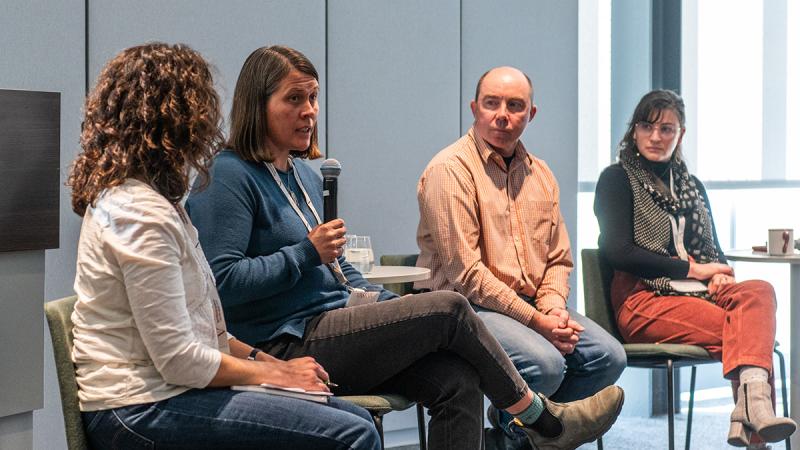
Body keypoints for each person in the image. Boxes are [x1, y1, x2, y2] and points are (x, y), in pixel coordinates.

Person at [185, 45, 624, 450]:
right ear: (258, 105)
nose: (310, 112)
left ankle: (535, 422)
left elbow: (337, 269)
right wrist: (304, 254)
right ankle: (541, 421)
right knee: (448, 307)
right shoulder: (228, 175)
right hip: (283, 341)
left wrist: (375, 301)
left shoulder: (304, 177)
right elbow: (219, 285)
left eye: (313, 98)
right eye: (294, 100)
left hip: (335, 322)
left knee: (458, 379)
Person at [68, 42, 382, 450]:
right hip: (139, 408)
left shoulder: (157, 204)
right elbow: (180, 360)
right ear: (174, 120)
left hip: (169, 391)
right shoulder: (138, 213)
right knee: (350, 433)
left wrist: (266, 362)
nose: (207, 122)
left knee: (354, 417)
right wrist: (276, 375)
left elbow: (204, 329)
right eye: (199, 108)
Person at [416, 66, 626, 446]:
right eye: (492, 103)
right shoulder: (450, 170)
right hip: (461, 309)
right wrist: (538, 322)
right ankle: (526, 436)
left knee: (608, 357)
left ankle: (515, 439)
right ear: (474, 108)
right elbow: (467, 275)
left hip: (529, 305)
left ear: (531, 114)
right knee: (544, 364)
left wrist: (552, 310)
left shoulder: (541, 174)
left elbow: (558, 259)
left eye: (515, 106)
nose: (502, 114)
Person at [594, 89, 797, 447]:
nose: (656, 137)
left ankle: (746, 413)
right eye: (647, 126)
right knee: (747, 331)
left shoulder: (692, 187)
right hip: (644, 300)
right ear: (634, 131)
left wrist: (716, 272)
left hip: (699, 295)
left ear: (681, 134)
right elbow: (619, 252)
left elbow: (713, 250)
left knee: (759, 291)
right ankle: (755, 425)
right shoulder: (617, 179)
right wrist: (694, 270)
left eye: (667, 129)